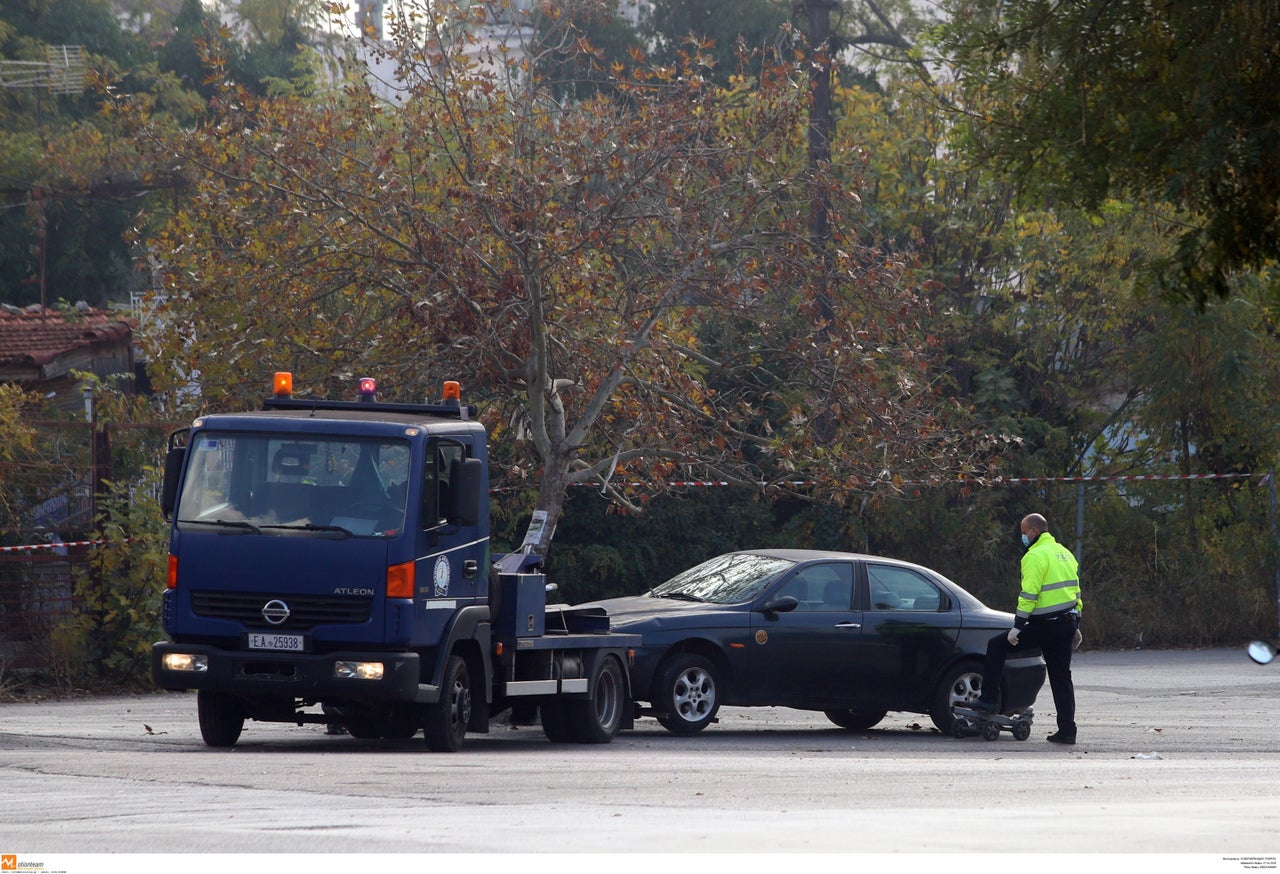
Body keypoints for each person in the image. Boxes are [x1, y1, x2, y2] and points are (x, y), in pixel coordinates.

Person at [970, 513, 1084, 744]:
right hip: (1066, 624)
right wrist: (1077, 623)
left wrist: (1018, 627)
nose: (1022, 536)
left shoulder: (1034, 556)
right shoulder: (1065, 553)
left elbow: (1029, 595)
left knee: (997, 646)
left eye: (1023, 532)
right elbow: (1076, 592)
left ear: (1033, 531)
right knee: (1062, 678)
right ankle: (1067, 731)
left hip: (1046, 625)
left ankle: (989, 700)